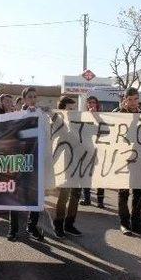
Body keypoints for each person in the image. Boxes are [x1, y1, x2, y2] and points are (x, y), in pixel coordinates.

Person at [8, 87, 43, 241]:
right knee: (15, 196)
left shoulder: (41, 115)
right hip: (19, 161)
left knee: (35, 195)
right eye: (30, 96)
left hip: (36, 161)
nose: (33, 99)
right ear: (24, 99)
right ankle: (13, 229)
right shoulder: (17, 116)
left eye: (35, 96)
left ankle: (32, 226)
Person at [113, 87, 141, 236]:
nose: (134, 103)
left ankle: (137, 224)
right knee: (123, 193)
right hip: (124, 160)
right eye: (130, 99)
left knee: (138, 194)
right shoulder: (119, 114)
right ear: (125, 100)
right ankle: (124, 223)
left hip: (140, 159)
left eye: (136, 99)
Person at [53, 96, 83, 238]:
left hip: (79, 163)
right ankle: (58, 223)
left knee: (76, 194)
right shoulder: (58, 123)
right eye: (70, 109)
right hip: (65, 164)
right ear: (63, 109)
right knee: (64, 195)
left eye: (74, 108)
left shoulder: (79, 122)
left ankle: (70, 223)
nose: (73, 111)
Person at [81, 95, 105, 208]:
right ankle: (87, 198)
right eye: (89, 103)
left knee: (99, 177)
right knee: (87, 176)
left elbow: (105, 130)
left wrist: (96, 116)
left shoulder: (101, 116)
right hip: (87, 151)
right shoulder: (84, 117)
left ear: (96, 104)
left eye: (93, 102)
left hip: (99, 151)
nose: (91, 105)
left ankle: (100, 201)